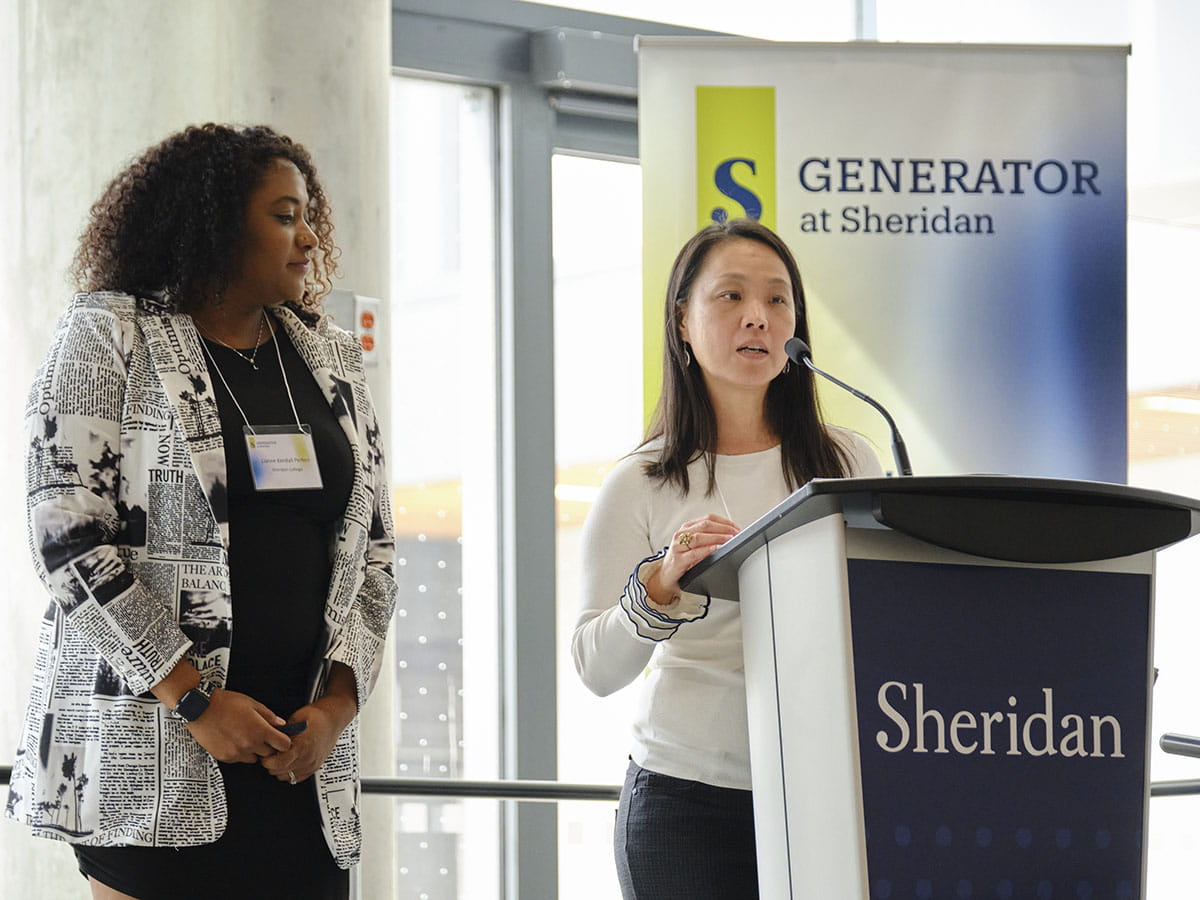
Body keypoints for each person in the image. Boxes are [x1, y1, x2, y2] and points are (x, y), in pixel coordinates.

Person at [5, 124, 397, 900]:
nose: (311, 236)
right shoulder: (108, 335)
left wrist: (337, 708)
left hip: (301, 763)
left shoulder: (331, 358)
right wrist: (193, 697)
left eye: (307, 213)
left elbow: (375, 552)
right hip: (156, 751)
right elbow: (68, 541)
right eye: (285, 215)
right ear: (215, 226)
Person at [572, 218, 883, 899]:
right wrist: (656, 588)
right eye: (732, 297)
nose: (758, 318)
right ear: (682, 320)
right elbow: (594, 666)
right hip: (688, 803)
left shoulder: (851, 462)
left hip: (828, 792)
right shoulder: (643, 481)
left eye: (778, 300)